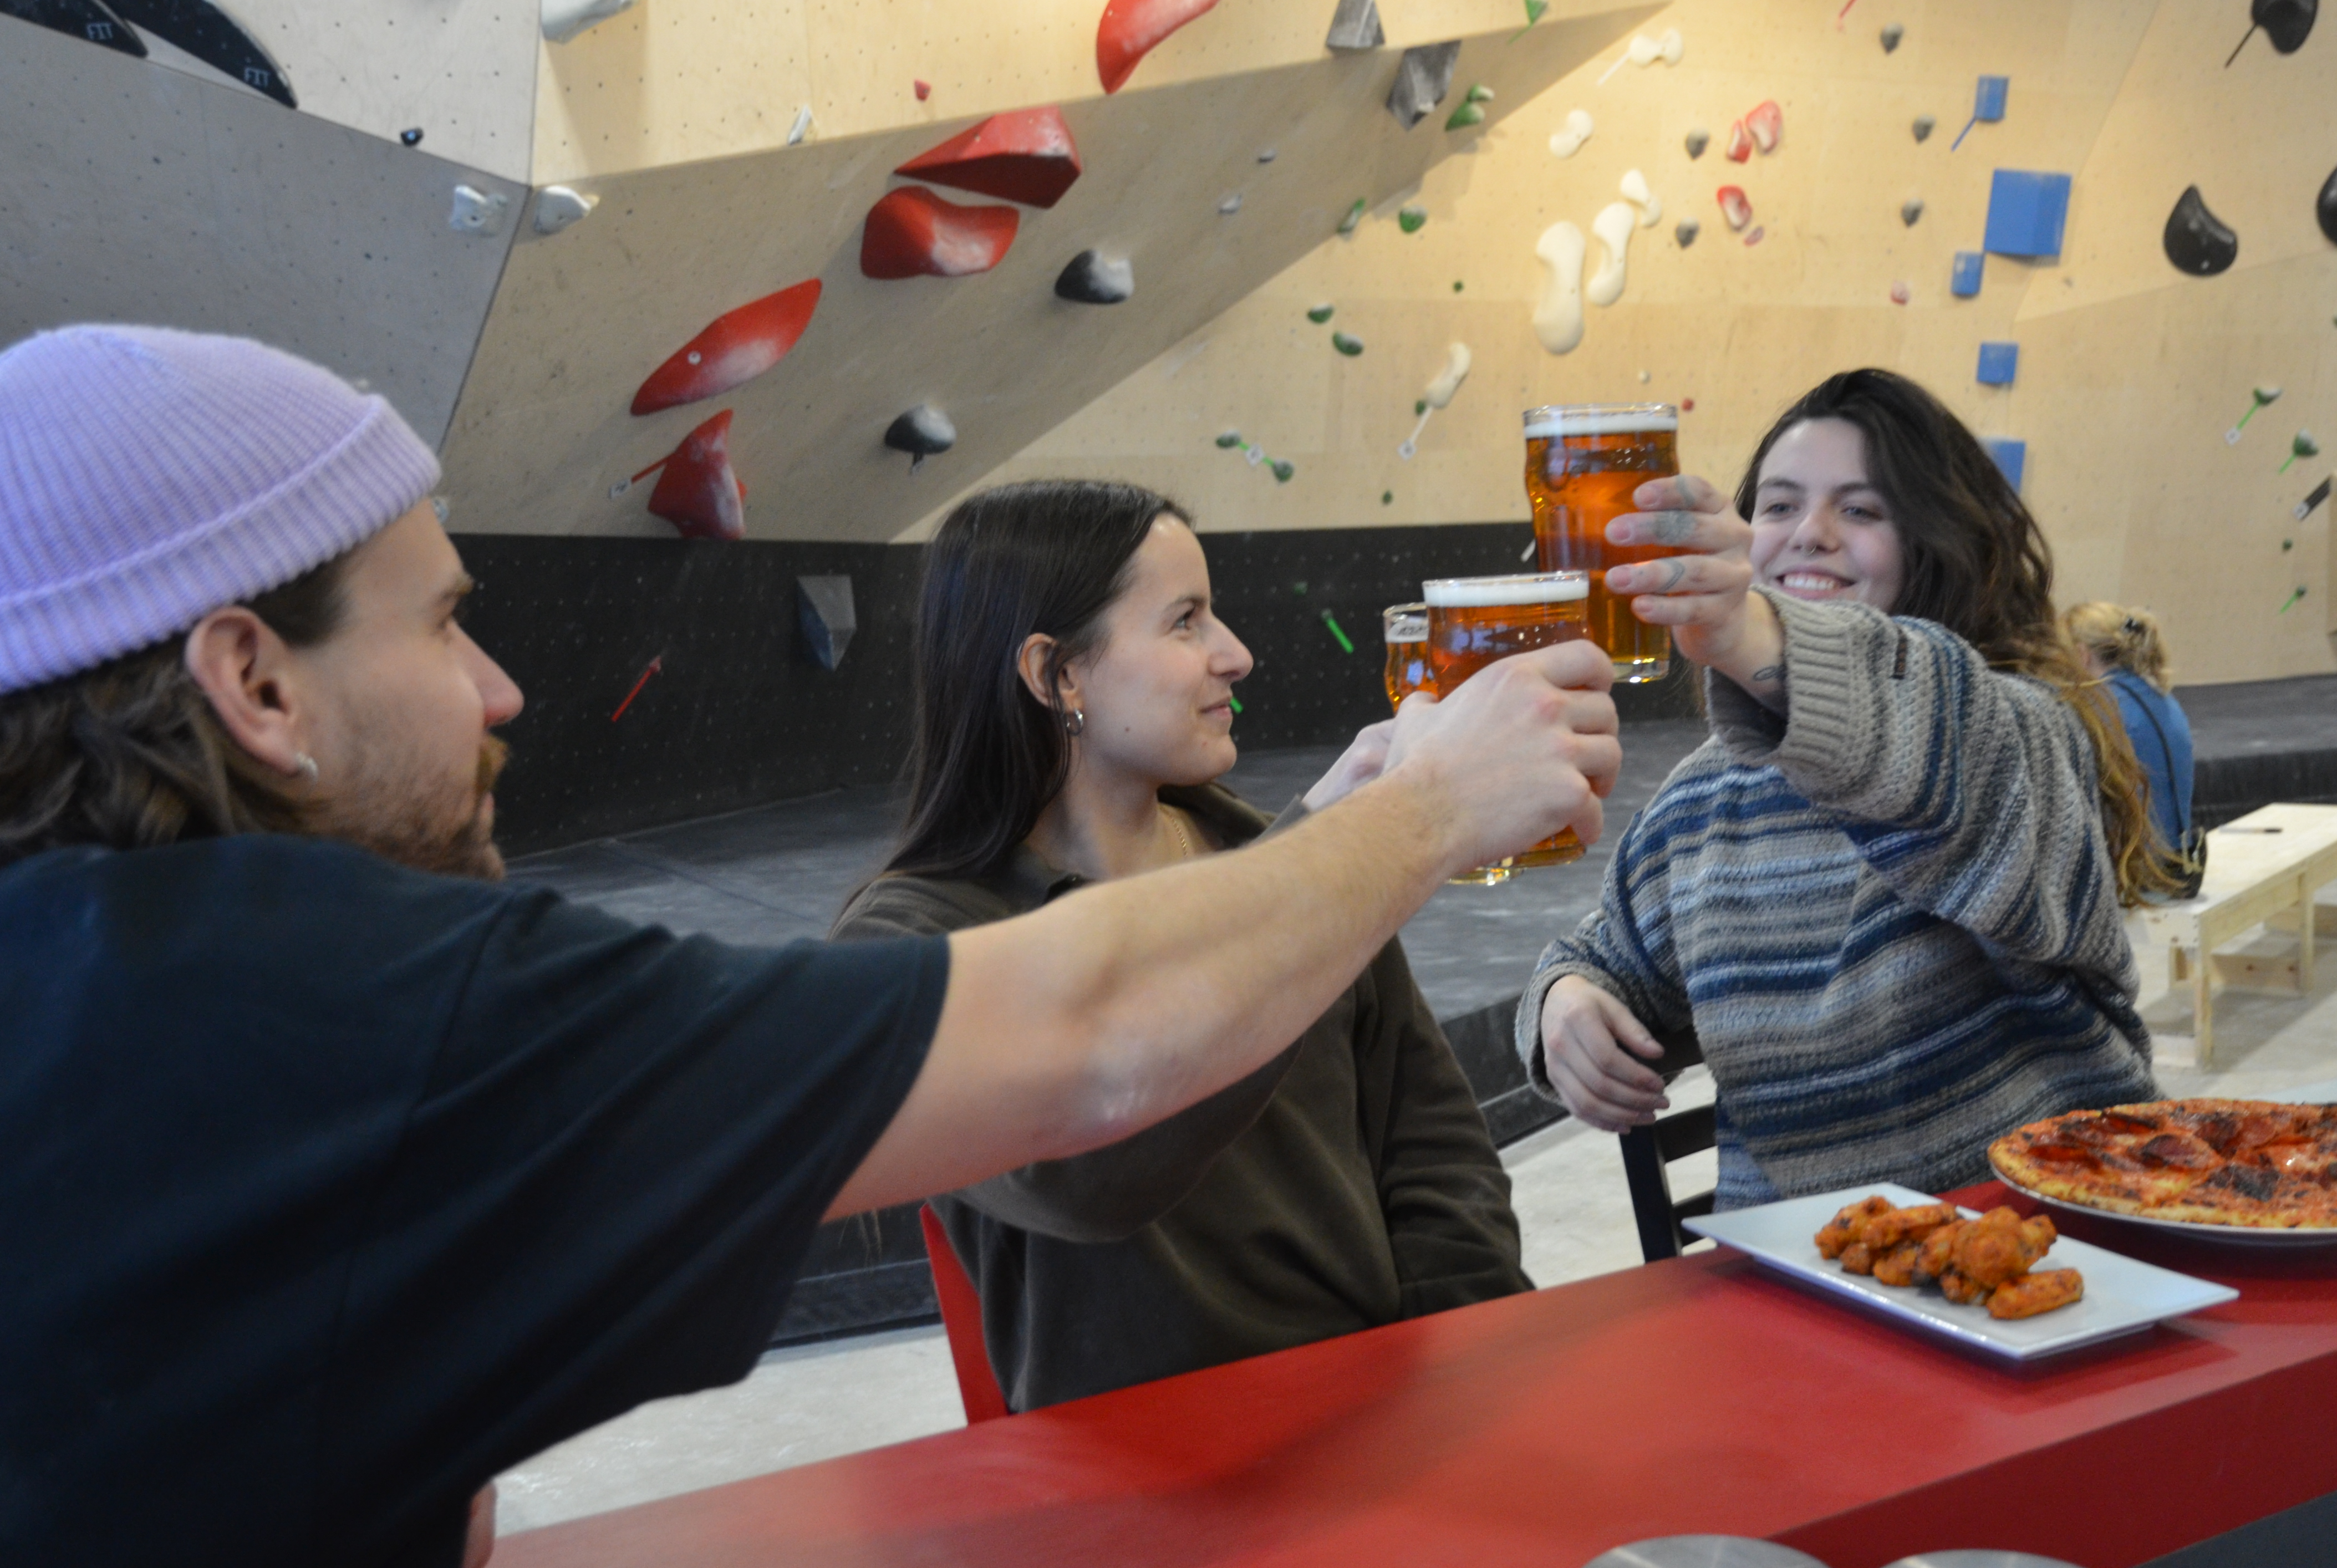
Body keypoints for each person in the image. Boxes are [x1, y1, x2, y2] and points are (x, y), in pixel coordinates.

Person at [0, 327, 1618, 1568]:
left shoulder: (106, 992)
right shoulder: (350, 999)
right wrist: (1424, 810)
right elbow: (1088, 1054)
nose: (498, 688)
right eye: (437, 621)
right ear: (254, 682)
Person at [831, 481, 1529, 1412]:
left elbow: (1431, 1142)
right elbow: (1076, 1171)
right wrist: (1337, 858)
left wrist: (1464, 1356)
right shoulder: (913, 942)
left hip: (1389, 1416)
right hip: (1135, 1479)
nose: (1235, 654)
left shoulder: (1268, 857)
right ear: (1057, 674)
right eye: (1185, 621)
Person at [1519, 368, 2167, 1204]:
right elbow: (1601, 958)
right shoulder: (1700, 803)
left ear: (1938, 541)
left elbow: (1927, 736)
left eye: (1860, 511)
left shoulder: (2020, 730)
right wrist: (1566, 1006)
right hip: (1810, 1275)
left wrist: (1752, 631)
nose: (1809, 535)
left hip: (2059, 1233)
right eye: (1780, 507)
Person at [2066, 600, 2202, 898]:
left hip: (2139, 876)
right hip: (2180, 861)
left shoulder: (2101, 709)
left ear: (2081, 655)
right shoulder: (2160, 696)